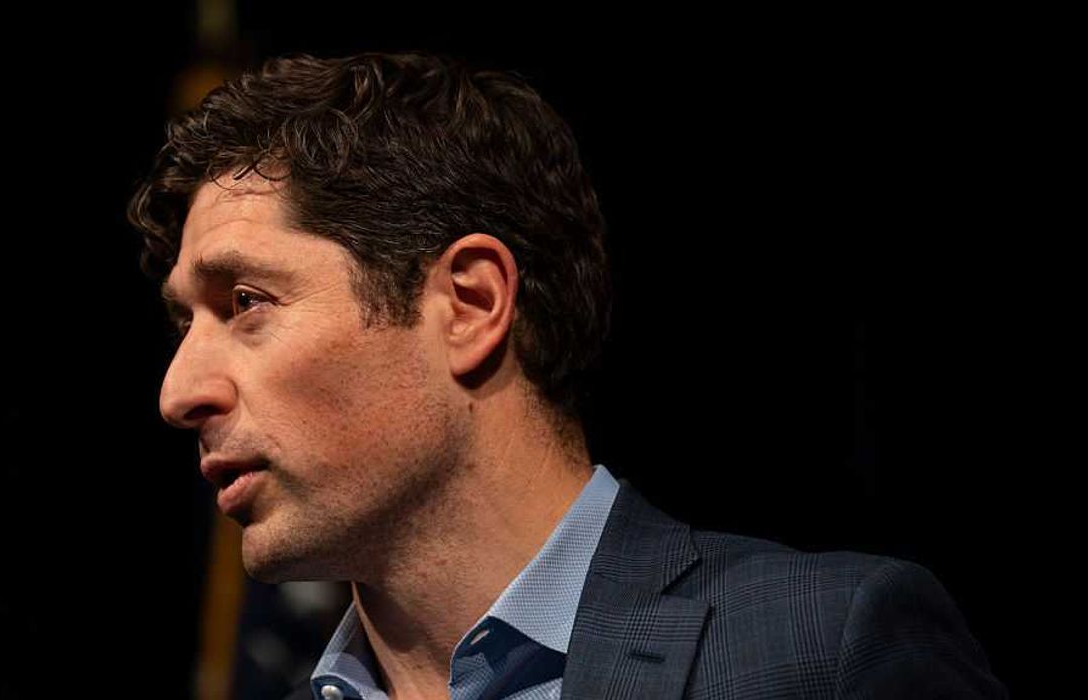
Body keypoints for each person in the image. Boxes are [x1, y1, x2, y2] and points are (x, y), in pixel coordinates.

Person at [127, 51, 1007, 700]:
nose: (177, 393)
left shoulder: (818, 652)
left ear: (469, 305)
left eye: (245, 301)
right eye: (182, 323)